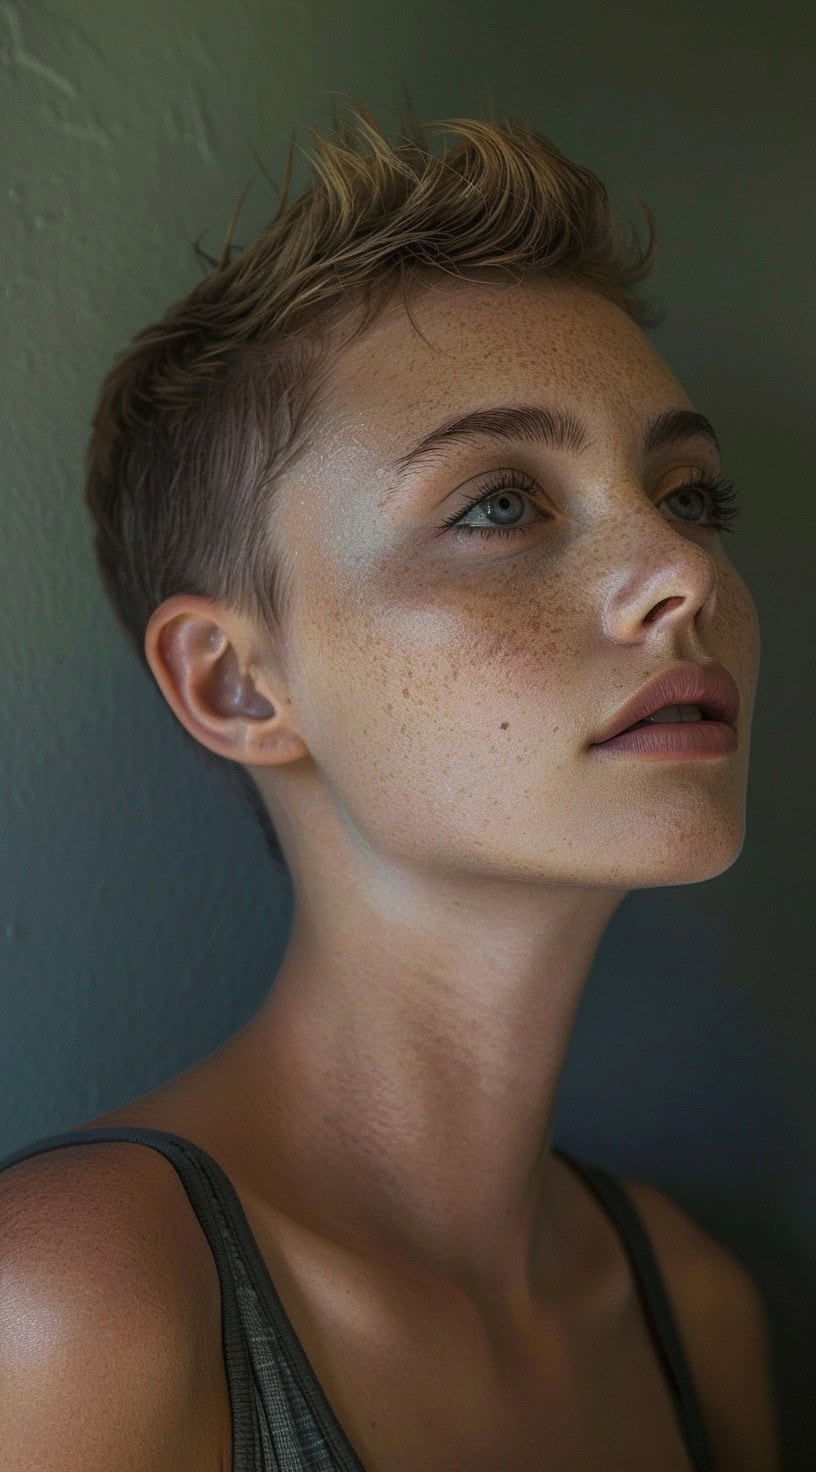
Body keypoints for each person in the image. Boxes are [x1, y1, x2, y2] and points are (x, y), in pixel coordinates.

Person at [0, 96, 780, 1471]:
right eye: (499, 504)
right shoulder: (76, 1309)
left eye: (690, 494)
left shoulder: (700, 1317)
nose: (687, 572)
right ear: (240, 686)